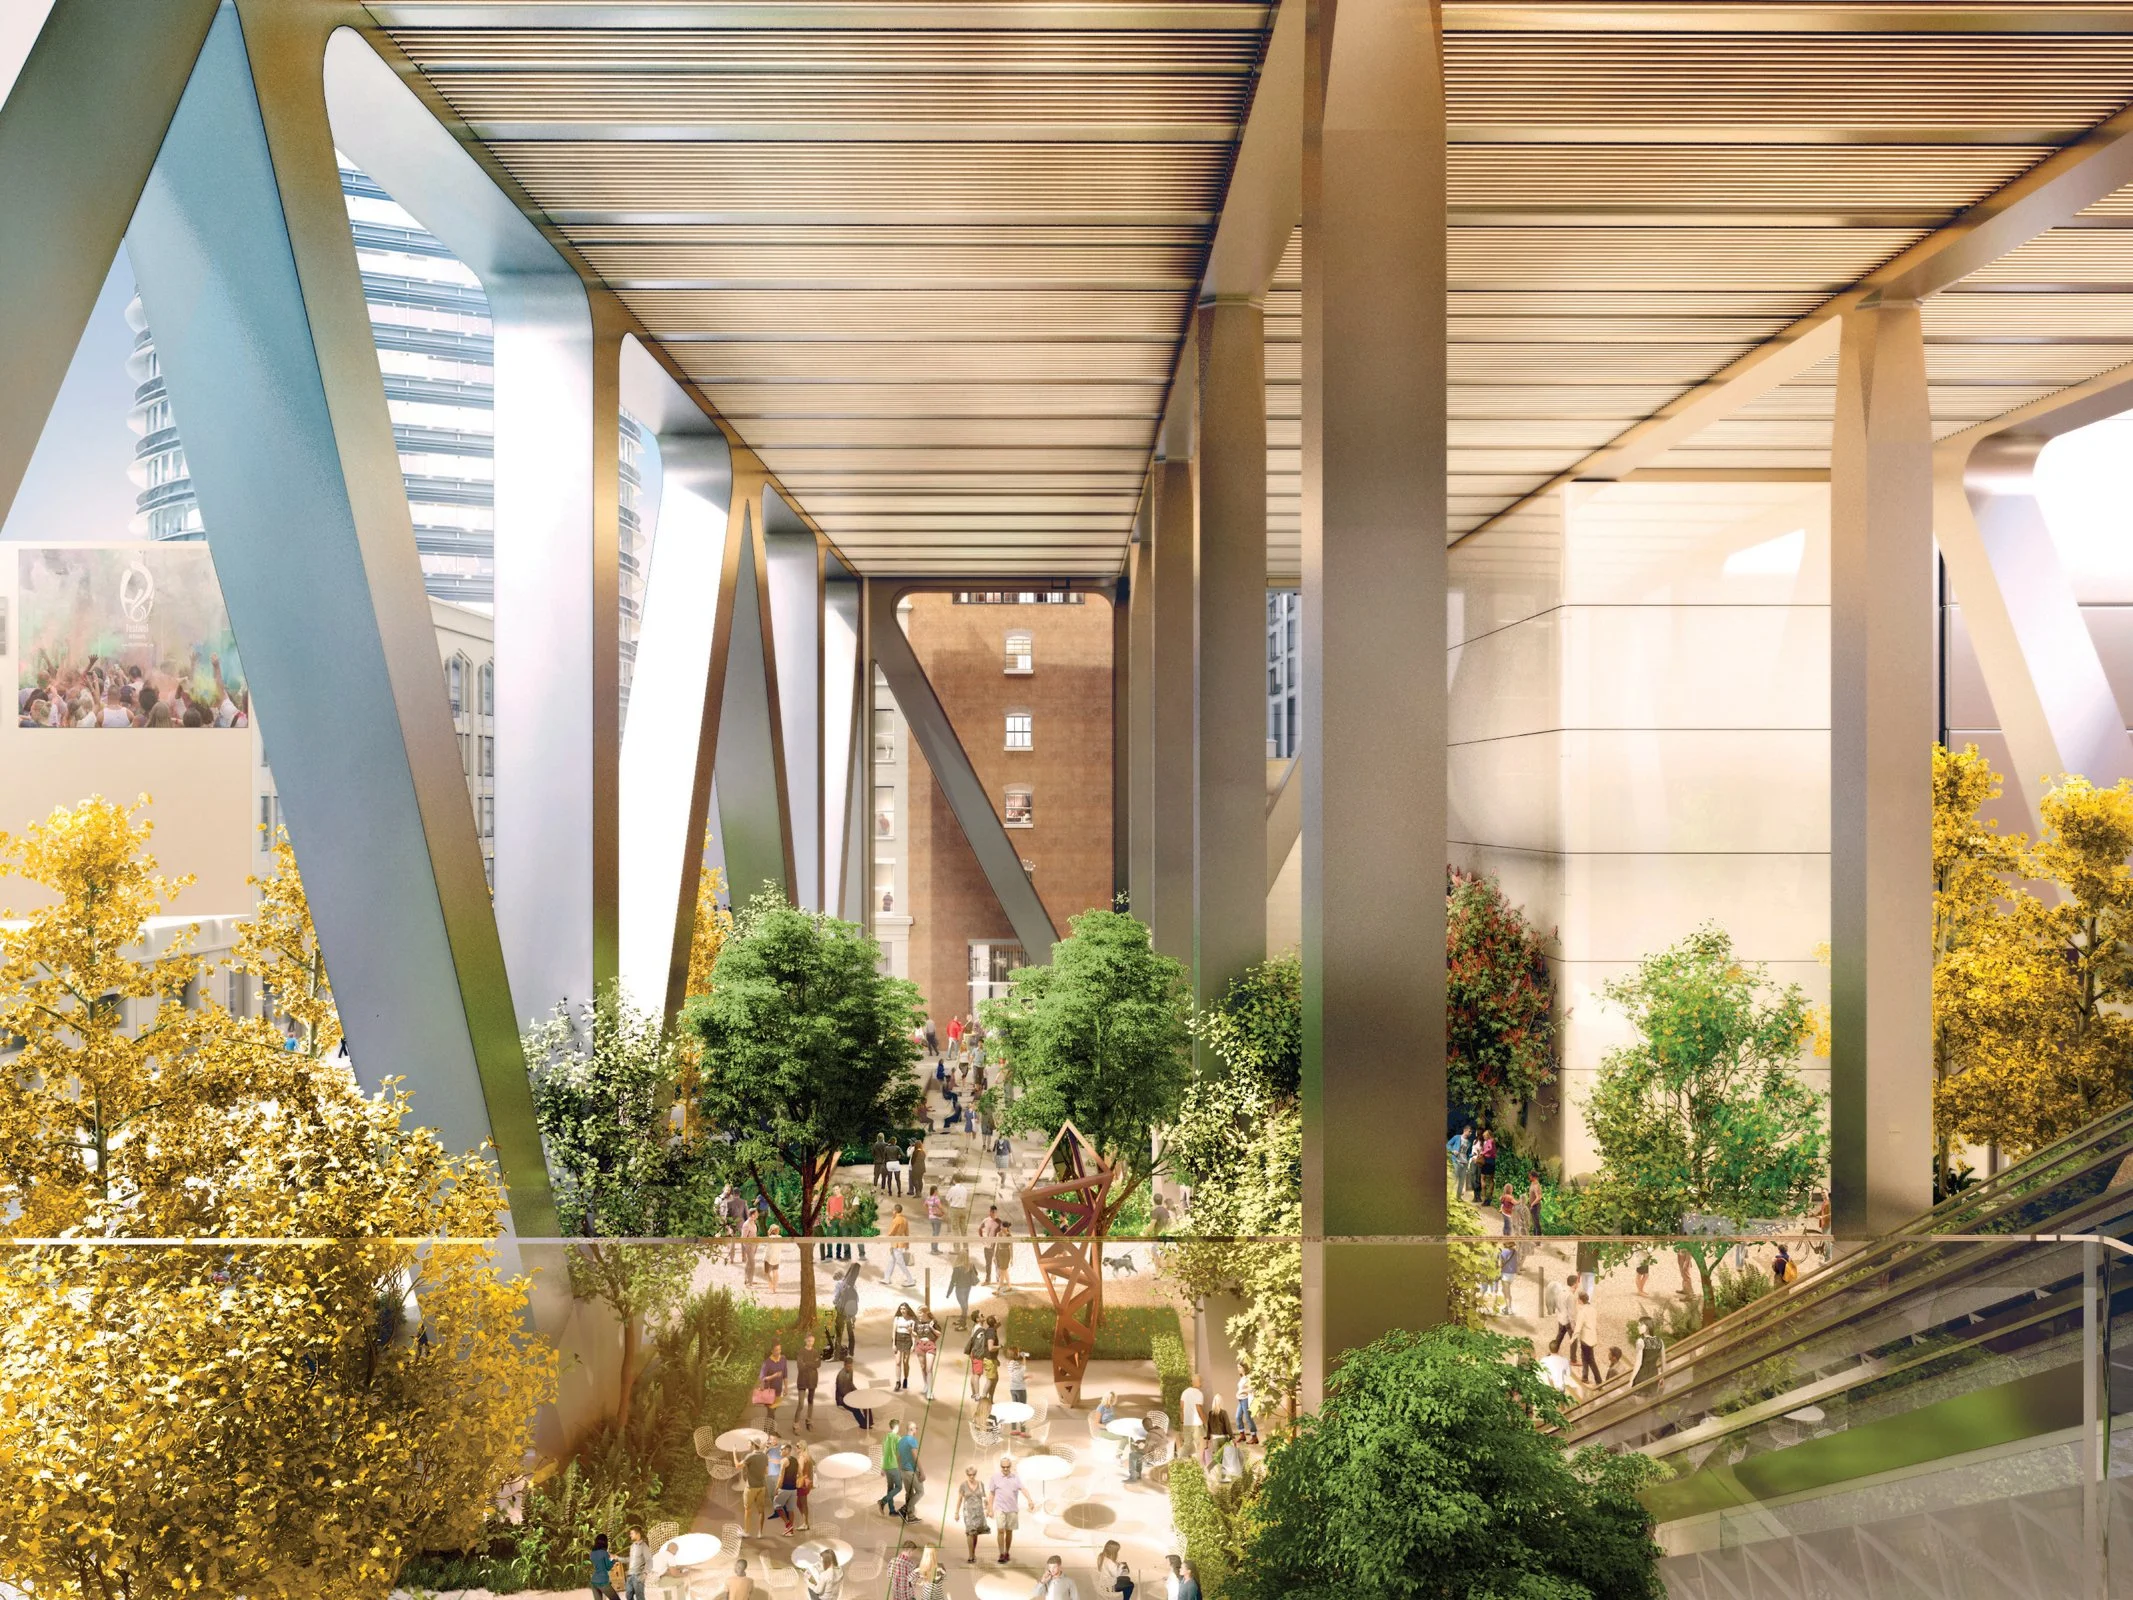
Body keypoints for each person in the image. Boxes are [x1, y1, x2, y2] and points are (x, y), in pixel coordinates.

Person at [988, 1455, 1025, 1562]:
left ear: (1010, 1466)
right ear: (1000, 1466)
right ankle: (1001, 1553)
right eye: (1003, 1467)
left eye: (1007, 1467)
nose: (1005, 1469)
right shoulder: (995, 1477)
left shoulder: (1015, 1477)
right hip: (1000, 1508)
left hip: (1012, 1509)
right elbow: (991, 1493)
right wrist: (990, 1509)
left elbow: (1023, 1489)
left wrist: (1030, 1500)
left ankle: (1007, 1552)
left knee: (1009, 1531)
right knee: (1000, 1530)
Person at [955, 1464, 990, 1563]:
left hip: (979, 1512)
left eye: (973, 1474)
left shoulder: (980, 1484)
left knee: (975, 1534)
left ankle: (973, 1553)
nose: (972, 1476)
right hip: (968, 1512)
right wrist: (956, 1512)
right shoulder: (963, 1485)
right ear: (967, 1474)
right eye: (969, 1475)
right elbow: (959, 1499)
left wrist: (987, 1508)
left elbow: (984, 1497)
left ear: (975, 1474)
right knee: (970, 1532)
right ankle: (970, 1556)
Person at [741, 1439, 770, 1536]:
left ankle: (746, 1532)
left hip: (751, 1487)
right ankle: (760, 1533)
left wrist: (734, 1452)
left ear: (753, 1445)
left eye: (749, 1443)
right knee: (761, 1510)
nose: (748, 1444)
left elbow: (737, 1466)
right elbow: (766, 1472)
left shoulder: (750, 1456)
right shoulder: (764, 1456)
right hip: (761, 1486)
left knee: (748, 1509)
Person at [1573, 1289, 1602, 1387]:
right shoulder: (1592, 1309)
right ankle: (1584, 1376)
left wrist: (1572, 1339)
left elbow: (1578, 1327)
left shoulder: (1582, 1312)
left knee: (1590, 1360)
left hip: (1585, 1339)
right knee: (1584, 1357)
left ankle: (1599, 1380)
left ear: (1580, 1300)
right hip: (1592, 1336)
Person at [758, 1341, 790, 1428]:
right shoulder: (767, 1362)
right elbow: (762, 1378)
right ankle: (768, 1431)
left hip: (778, 1391)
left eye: (779, 1349)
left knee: (772, 1412)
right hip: (768, 1392)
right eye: (776, 1350)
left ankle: (770, 1431)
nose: (778, 1352)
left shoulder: (783, 1360)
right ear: (772, 1351)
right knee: (771, 1413)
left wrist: (786, 1388)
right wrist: (774, 1376)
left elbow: (785, 1375)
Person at [895, 1421, 923, 1516]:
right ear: (911, 1429)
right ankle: (906, 1508)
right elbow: (915, 1457)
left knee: (909, 1493)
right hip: (911, 1471)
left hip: (903, 1471)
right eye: (916, 1428)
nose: (916, 1430)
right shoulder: (912, 1440)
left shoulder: (901, 1440)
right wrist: (922, 1472)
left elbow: (898, 1457)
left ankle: (910, 1516)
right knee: (920, 1492)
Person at [773, 1441, 802, 1532]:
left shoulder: (784, 1460)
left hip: (784, 1488)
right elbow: (800, 1474)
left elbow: (781, 1476)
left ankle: (788, 1524)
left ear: (787, 1450)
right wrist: (793, 1480)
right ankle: (790, 1531)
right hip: (793, 1489)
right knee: (790, 1509)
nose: (780, 1451)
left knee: (777, 1506)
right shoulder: (795, 1460)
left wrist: (777, 1488)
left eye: (781, 1449)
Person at [794, 1333, 821, 1430]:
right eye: (809, 1341)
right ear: (805, 1340)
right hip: (802, 1380)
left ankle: (808, 1420)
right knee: (801, 1404)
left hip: (812, 1379)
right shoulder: (801, 1351)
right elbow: (800, 1366)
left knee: (810, 1401)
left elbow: (818, 1364)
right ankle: (796, 1423)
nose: (811, 1343)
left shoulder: (815, 1352)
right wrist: (812, 1364)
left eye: (812, 1341)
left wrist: (807, 1363)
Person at [877, 1422, 905, 1515]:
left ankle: (892, 1511)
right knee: (899, 1487)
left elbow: (883, 1452)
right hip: (893, 1466)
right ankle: (883, 1501)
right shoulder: (898, 1438)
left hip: (886, 1466)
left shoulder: (886, 1437)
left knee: (890, 1488)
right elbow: (900, 1453)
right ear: (896, 1426)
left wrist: (882, 1467)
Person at [1547, 1270, 1576, 1355]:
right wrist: (1573, 1325)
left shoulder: (1561, 1291)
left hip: (1560, 1318)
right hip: (1567, 1320)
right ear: (1574, 1284)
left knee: (1559, 1337)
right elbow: (1571, 1313)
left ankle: (1553, 1351)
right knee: (1573, 1339)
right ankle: (1573, 1358)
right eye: (1577, 1283)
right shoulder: (1570, 1295)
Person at [836, 1356, 870, 1429]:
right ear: (844, 1365)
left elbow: (851, 1383)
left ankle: (869, 1422)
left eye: (851, 1366)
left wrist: (856, 1391)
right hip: (843, 1399)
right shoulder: (841, 1375)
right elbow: (841, 1391)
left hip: (850, 1395)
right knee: (856, 1409)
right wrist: (852, 1397)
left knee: (866, 1403)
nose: (850, 1368)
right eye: (848, 1366)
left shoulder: (851, 1371)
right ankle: (863, 1424)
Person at [948, 1247, 978, 1329]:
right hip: (967, 1287)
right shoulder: (970, 1265)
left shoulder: (957, 1268)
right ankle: (962, 1319)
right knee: (965, 1304)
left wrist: (949, 1293)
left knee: (963, 1306)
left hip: (959, 1288)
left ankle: (963, 1324)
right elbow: (976, 1274)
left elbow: (952, 1281)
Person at [1202, 1395, 1233, 1469]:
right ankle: (1211, 1468)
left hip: (1215, 1439)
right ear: (1221, 1402)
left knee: (1218, 1458)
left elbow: (1209, 1426)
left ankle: (1213, 1469)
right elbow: (1228, 1425)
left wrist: (1208, 1438)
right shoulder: (1223, 1412)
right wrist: (1232, 1437)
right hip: (1224, 1439)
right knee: (1225, 1457)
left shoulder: (1210, 1413)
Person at [915, 1305, 940, 1396]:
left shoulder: (933, 1322)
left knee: (929, 1369)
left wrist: (932, 1327)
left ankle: (930, 1391)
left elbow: (939, 1334)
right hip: (920, 1345)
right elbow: (915, 1334)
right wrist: (910, 1332)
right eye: (918, 1313)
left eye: (920, 1313)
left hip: (930, 1345)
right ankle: (925, 1384)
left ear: (925, 1313)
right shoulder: (917, 1322)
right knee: (923, 1367)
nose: (919, 1315)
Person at [894, 1301, 918, 1390]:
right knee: (897, 1362)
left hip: (907, 1340)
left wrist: (913, 1345)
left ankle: (905, 1378)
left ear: (907, 1309)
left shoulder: (912, 1320)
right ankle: (898, 1381)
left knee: (905, 1362)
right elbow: (893, 1331)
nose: (902, 1310)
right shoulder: (897, 1318)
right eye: (901, 1309)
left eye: (904, 1309)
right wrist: (893, 1344)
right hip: (898, 1339)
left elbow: (914, 1334)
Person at [793, 1440, 816, 1531]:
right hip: (807, 1482)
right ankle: (805, 1522)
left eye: (798, 1446)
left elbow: (800, 1470)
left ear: (802, 1448)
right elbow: (814, 1464)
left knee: (802, 1503)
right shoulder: (808, 1457)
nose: (796, 1448)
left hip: (802, 1482)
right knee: (800, 1503)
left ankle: (805, 1523)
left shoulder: (802, 1457)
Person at [589, 1532, 619, 1599]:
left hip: (594, 1581)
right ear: (605, 1542)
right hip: (602, 1581)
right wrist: (614, 1560)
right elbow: (608, 1567)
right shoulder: (604, 1553)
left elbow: (599, 1563)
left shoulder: (592, 1553)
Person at [1178, 1377, 1204, 1456]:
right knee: (1200, 1445)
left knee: (1187, 1444)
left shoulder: (1185, 1392)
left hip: (1187, 1423)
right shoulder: (1199, 1393)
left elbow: (1181, 1408)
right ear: (1198, 1382)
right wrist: (1205, 1422)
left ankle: (1180, 1457)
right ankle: (1199, 1461)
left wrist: (1182, 1422)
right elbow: (1199, 1408)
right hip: (1197, 1424)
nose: (1202, 1383)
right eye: (1200, 1381)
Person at [1234, 1363, 1258, 1444]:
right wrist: (1238, 1393)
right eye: (1237, 1367)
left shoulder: (1248, 1378)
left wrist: (1242, 1391)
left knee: (1248, 1418)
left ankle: (1254, 1437)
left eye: (1240, 1367)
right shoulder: (1242, 1378)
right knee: (1237, 1417)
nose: (1238, 1369)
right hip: (1240, 1400)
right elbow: (1240, 1389)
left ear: (1244, 1367)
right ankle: (1242, 1435)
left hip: (1246, 1400)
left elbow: (1252, 1388)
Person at [624, 1528, 649, 1600]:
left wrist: (645, 1573)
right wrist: (617, 1558)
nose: (630, 1535)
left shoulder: (644, 1546)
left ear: (638, 1534)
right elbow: (631, 1559)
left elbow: (649, 1560)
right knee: (628, 1596)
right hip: (630, 1575)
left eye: (632, 1533)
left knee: (640, 1597)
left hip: (638, 1575)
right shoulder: (632, 1546)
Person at [925, 1184, 944, 1252]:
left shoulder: (928, 1197)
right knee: (936, 1234)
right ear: (935, 1191)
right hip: (937, 1217)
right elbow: (940, 1206)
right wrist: (943, 1212)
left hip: (931, 1217)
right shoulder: (936, 1198)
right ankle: (935, 1249)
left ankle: (933, 1248)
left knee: (934, 1233)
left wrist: (929, 1211)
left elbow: (925, 1205)